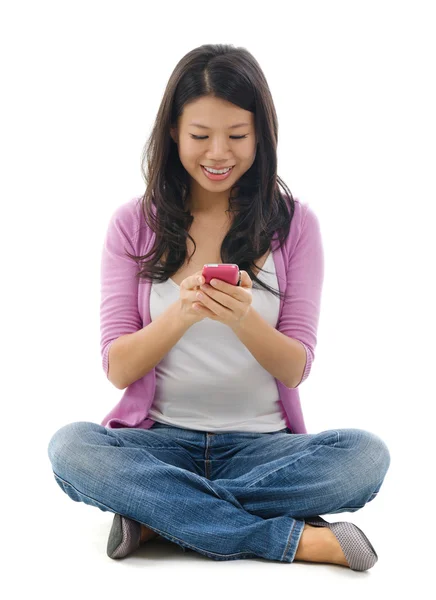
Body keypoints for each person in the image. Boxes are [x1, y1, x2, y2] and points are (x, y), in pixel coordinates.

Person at [47, 43, 390, 570]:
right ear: (173, 134)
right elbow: (118, 369)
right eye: (201, 136)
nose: (218, 154)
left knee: (365, 457)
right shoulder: (132, 225)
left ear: (261, 136)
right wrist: (180, 315)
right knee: (71, 448)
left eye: (236, 136)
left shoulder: (296, 226)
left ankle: (157, 513)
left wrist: (243, 319)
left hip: (262, 450)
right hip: (158, 444)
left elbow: (295, 368)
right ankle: (294, 540)